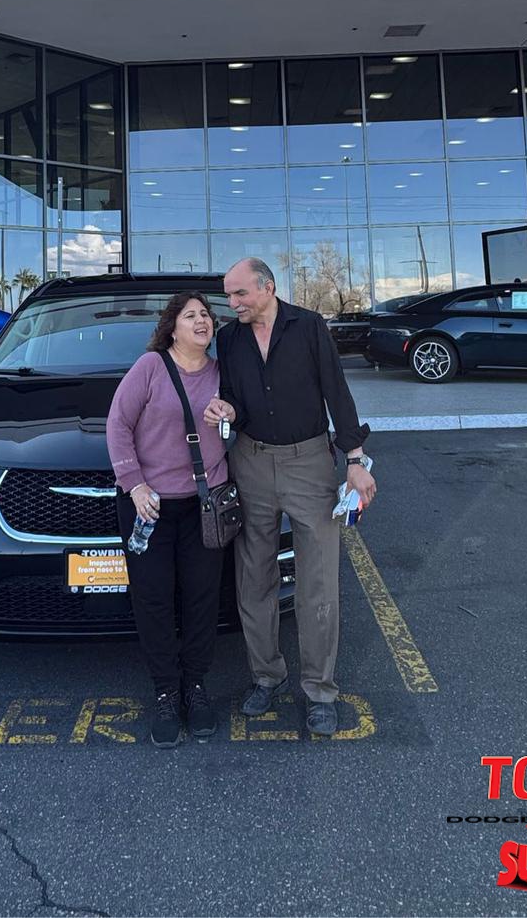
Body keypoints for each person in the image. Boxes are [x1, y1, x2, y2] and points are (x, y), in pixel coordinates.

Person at [204, 257, 375, 737]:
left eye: (240, 293)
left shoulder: (309, 326)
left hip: (309, 463)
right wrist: (226, 411)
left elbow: (336, 391)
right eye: (228, 295)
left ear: (268, 287)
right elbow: (235, 401)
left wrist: (355, 460)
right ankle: (267, 677)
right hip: (251, 463)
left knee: (317, 581)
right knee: (254, 579)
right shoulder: (230, 338)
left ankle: (320, 691)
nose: (232, 303)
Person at [106, 291, 229, 748]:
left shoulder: (222, 373)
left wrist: (231, 412)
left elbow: (241, 419)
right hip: (149, 506)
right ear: (172, 328)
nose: (201, 321)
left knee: (202, 598)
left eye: (205, 315)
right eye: (190, 315)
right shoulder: (150, 368)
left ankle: (194, 686)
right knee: (153, 599)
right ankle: (165, 691)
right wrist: (134, 485)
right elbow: (118, 425)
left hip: (205, 505)